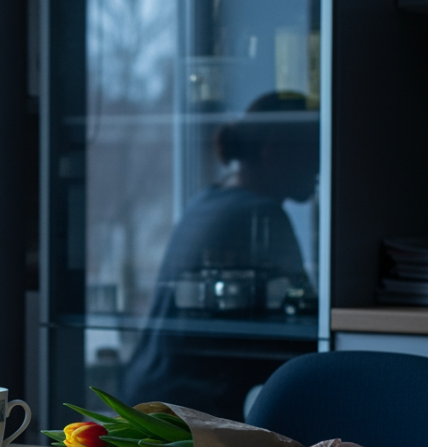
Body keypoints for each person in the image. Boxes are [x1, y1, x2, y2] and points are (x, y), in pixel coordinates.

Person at [120, 91, 318, 421]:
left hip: (150, 391)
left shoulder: (208, 200)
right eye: (312, 151)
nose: (319, 166)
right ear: (273, 153)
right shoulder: (262, 215)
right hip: (191, 411)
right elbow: (306, 323)